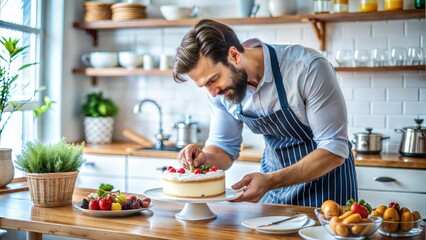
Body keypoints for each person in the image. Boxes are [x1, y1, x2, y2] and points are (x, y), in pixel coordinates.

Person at [172, 19, 357, 207]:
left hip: (328, 189)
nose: (212, 93)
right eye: (204, 86)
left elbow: (334, 149)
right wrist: (205, 158)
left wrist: (270, 181)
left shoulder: (307, 68)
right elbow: (223, 148)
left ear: (234, 55)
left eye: (213, 80)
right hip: (275, 190)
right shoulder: (220, 92)